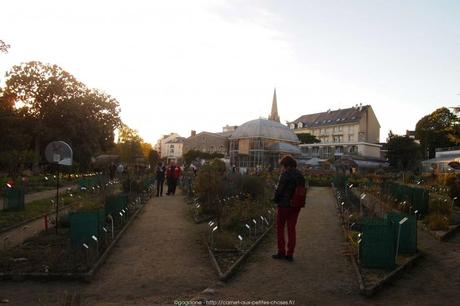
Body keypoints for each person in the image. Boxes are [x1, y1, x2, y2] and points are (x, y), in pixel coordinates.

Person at [273, 155, 305, 262]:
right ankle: (290, 253)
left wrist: (275, 199)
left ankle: (281, 251)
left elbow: (280, 191)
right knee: (291, 229)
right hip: (296, 206)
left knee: (280, 228)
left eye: (283, 165)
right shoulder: (300, 175)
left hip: (284, 205)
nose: (282, 168)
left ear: (286, 165)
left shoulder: (285, 175)